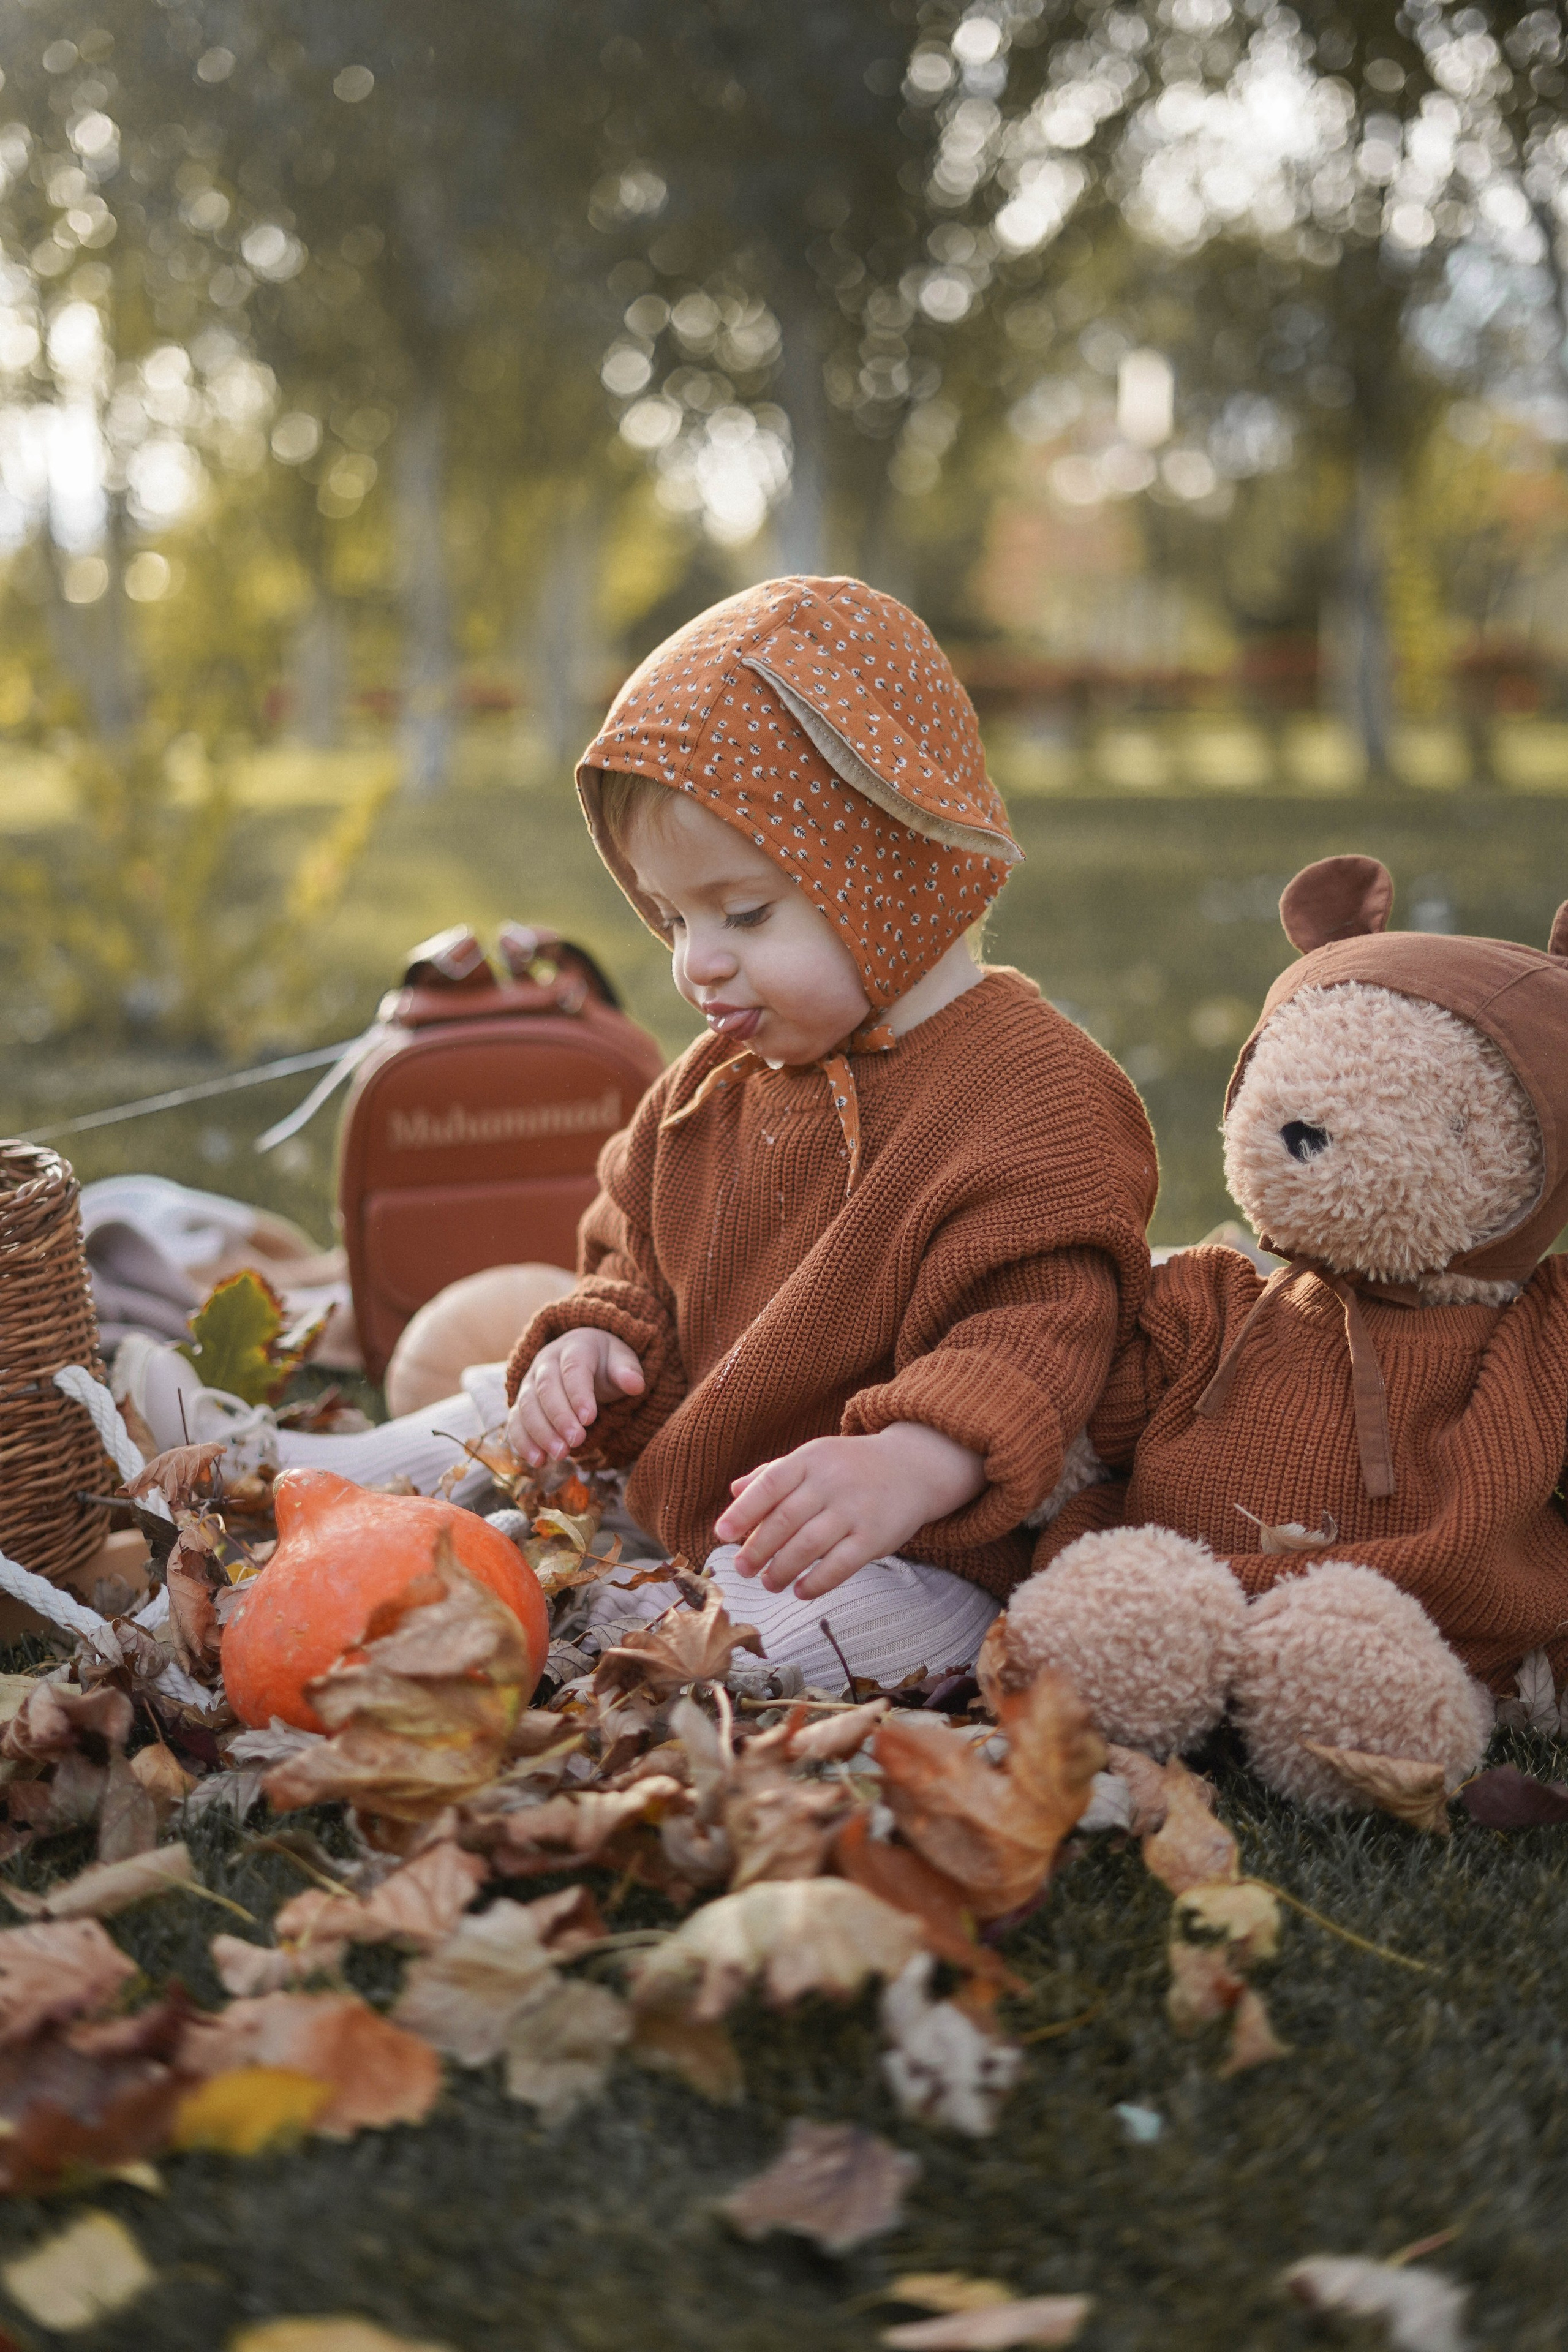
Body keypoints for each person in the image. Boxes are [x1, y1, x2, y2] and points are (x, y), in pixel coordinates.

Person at [502, 575, 1158, 1687]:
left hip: (912, 1542)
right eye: (670, 918)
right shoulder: (714, 1081)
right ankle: (333, 1486)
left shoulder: (1033, 1095)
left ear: (892, 869)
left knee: (808, 1630)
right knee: (489, 1406)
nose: (693, 961)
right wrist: (596, 1338)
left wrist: (911, 1461)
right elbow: (632, 1245)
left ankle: (598, 1633)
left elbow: (1039, 1329)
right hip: (693, 1482)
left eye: (743, 913)